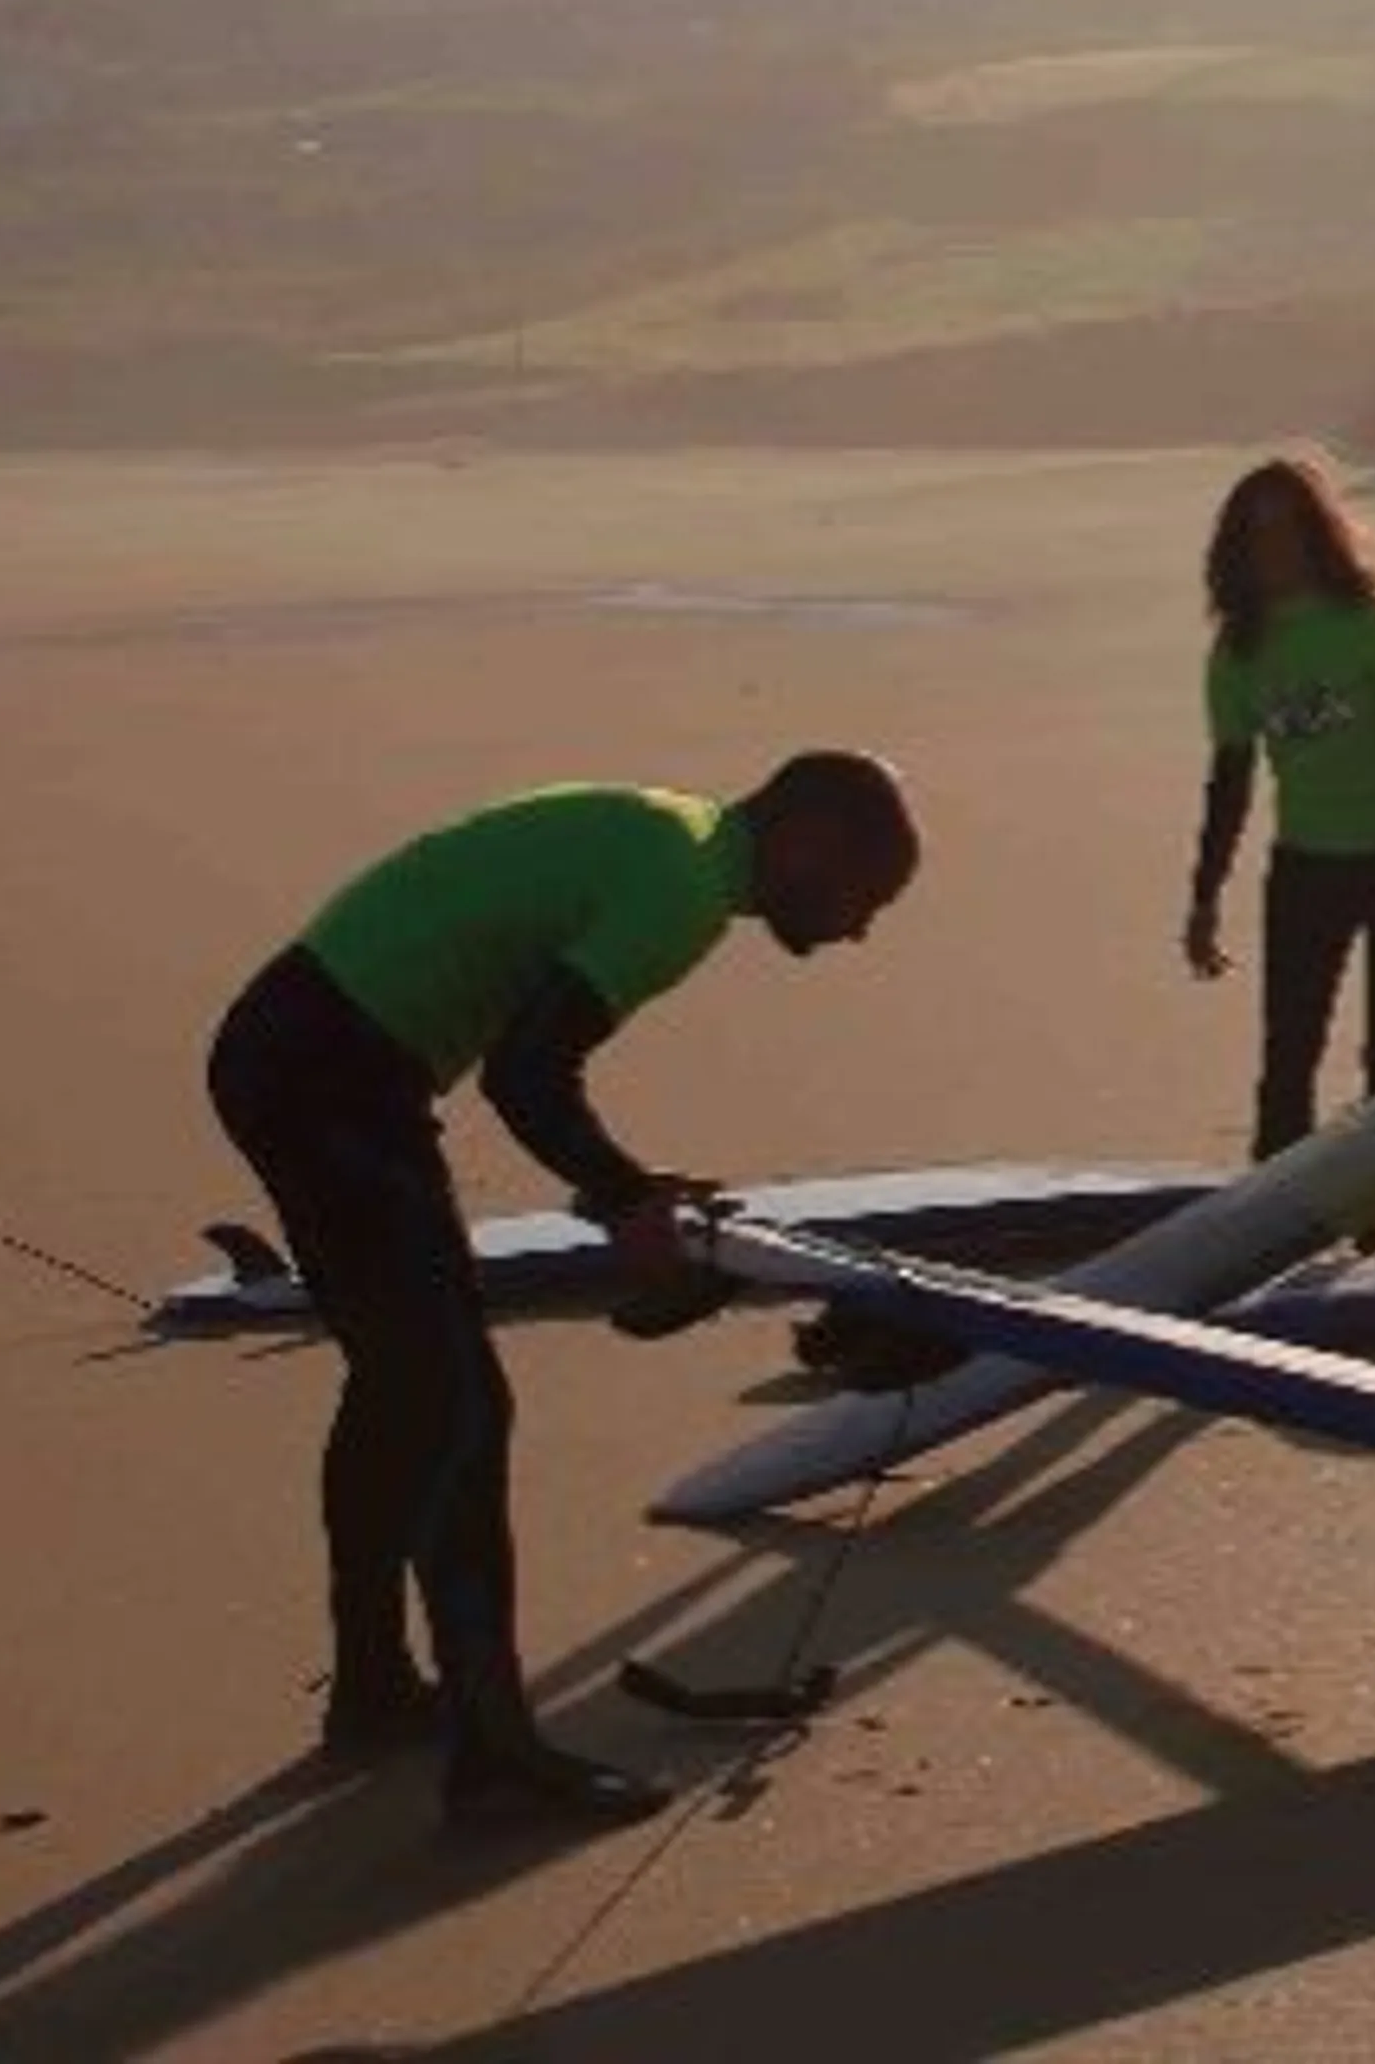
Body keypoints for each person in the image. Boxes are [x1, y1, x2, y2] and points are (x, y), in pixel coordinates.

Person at [205, 752, 919, 1825]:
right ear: (814, 837)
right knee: (458, 1407)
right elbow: (527, 1070)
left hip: (295, 1048)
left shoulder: (674, 837)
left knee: (403, 1389)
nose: (861, 928)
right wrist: (627, 1193)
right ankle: (491, 1756)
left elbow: (520, 1051)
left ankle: (374, 1687)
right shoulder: (681, 888)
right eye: (870, 894)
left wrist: (616, 1188)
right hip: (333, 1074)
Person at [1182, 455, 1375, 1242]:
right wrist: (1205, 898)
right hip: (1307, 867)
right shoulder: (1237, 654)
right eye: (1257, 535)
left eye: (1289, 530)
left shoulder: (1370, 620)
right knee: (1288, 1058)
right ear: (1236, 549)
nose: (1275, 549)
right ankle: (1271, 1235)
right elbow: (1228, 784)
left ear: (1317, 534)